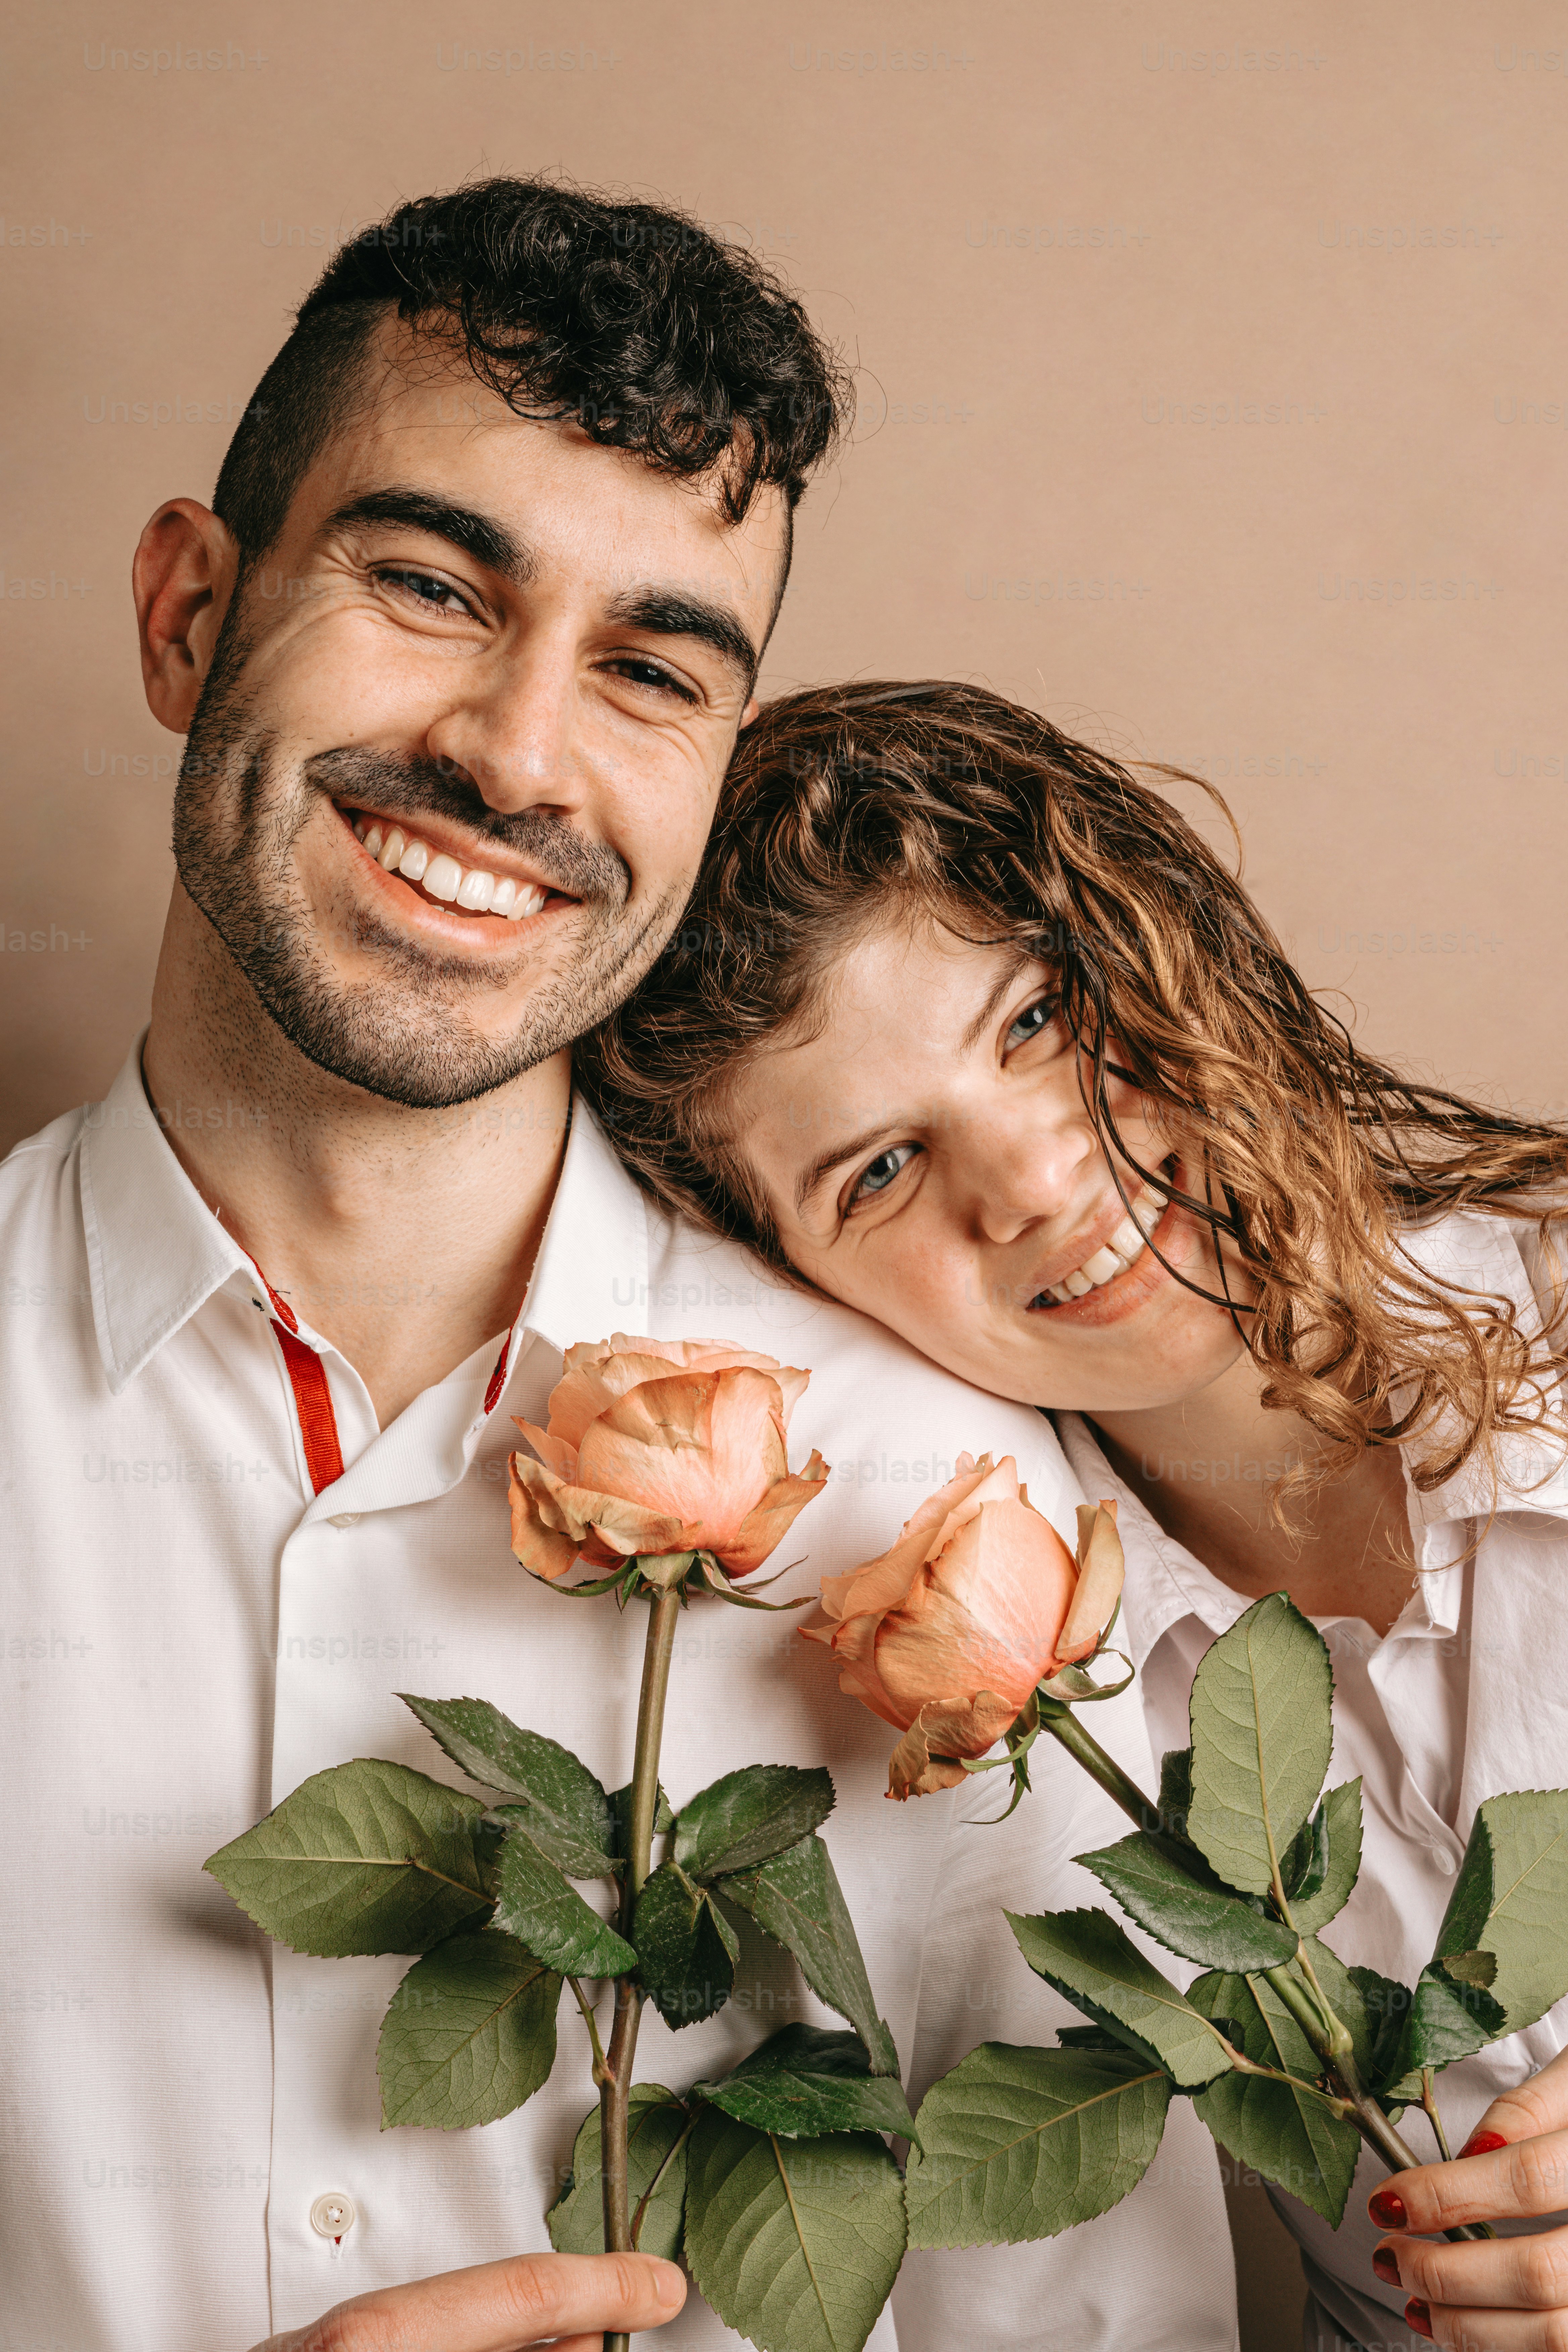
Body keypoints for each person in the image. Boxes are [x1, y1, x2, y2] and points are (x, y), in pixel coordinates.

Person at [0, 193, 1237, 2351]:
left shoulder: (958, 1541)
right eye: (425, 586)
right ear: (191, 613)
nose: (519, 752)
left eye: (652, 671)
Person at [581, 677, 1568, 2352]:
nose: (1037, 1179)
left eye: (1036, 1022)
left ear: (1157, 932)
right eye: (879, 1172)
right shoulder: (1006, 1719)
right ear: (795, 1287)